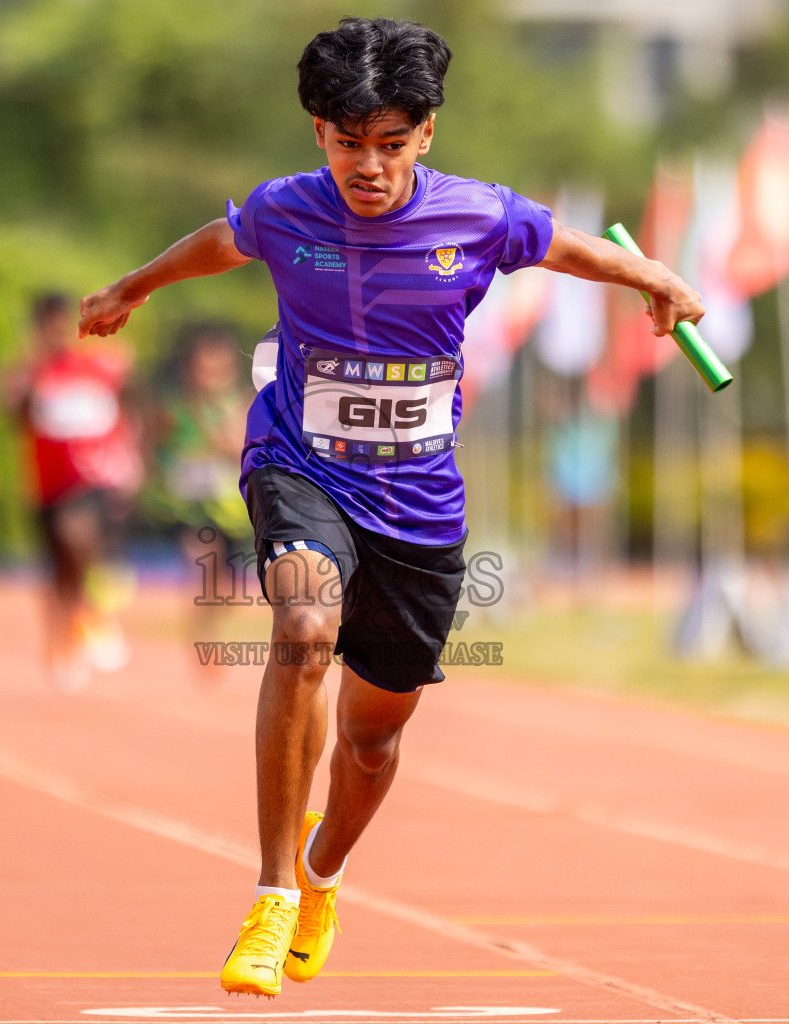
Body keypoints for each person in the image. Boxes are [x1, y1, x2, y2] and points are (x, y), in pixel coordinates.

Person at [76, 17, 703, 997]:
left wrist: (653, 276)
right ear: (317, 132)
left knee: (374, 740)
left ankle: (324, 877)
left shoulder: (478, 217)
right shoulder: (289, 211)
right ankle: (273, 889)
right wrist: (132, 288)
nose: (368, 166)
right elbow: (221, 239)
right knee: (304, 622)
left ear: (427, 135)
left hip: (417, 504)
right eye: (347, 141)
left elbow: (563, 246)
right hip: (300, 464)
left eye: (392, 143)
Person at [0, 292, 144, 691]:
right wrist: (28, 383)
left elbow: (131, 408)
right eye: (48, 325)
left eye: (63, 323)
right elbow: (13, 416)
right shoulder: (27, 372)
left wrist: (132, 458)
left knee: (81, 540)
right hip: (49, 484)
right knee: (60, 571)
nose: (57, 333)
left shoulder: (102, 364)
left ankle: (95, 617)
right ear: (37, 328)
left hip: (96, 479)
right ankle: (60, 644)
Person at [152, 323, 256, 679]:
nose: (207, 377)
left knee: (230, 586)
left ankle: (214, 627)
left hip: (232, 511)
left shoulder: (242, 404)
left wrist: (220, 438)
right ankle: (202, 637)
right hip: (192, 508)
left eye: (215, 368)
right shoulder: (178, 407)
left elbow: (238, 449)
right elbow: (160, 446)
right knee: (203, 568)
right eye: (201, 369)